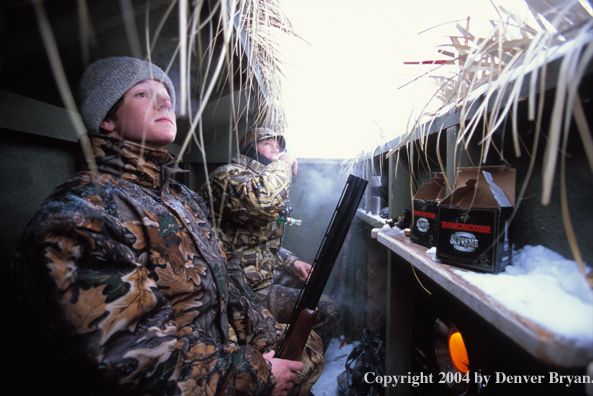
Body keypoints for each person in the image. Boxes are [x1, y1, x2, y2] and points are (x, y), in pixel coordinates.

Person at [8, 56, 322, 396]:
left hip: (217, 358)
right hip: (196, 378)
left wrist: (269, 340)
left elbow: (228, 280)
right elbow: (128, 362)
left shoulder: (180, 197)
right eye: (142, 94)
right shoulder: (81, 214)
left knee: (308, 350)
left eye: (166, 94)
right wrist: (256, 375)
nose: (164, 101)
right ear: (107, 119)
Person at [198, 127, 339, 353]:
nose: (276, 149)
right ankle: (285, 371)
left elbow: (261, 244)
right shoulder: (227, 176)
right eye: (267, 144)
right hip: (239, 287)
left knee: (320, 294)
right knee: (326, 309)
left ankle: (293, 364)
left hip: (263, 276)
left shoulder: (264, 179)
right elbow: (263, 200)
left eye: (278, 146)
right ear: (248, 150)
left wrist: (291, 262)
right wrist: (283, 162)